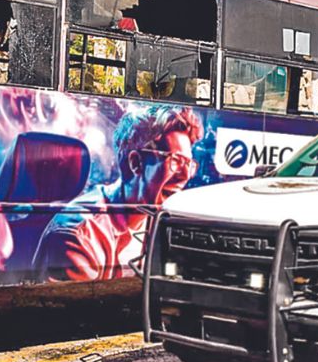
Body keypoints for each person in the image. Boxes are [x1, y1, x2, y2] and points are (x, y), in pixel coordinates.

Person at [34, 105, 202, 282]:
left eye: (188, 165)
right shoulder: (76, 235)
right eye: (175, 161)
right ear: (136, 163)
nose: (185, 176)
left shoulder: (156, 220)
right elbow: (76, 308)